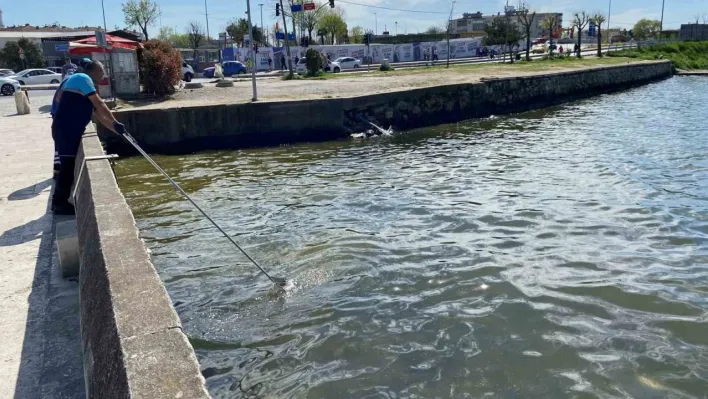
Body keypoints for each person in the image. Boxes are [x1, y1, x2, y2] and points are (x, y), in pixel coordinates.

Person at [51, 59, 125, 215]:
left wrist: (115, 129)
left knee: (68, 165)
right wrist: (116, 121)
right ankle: (59, 203)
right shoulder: (83, 79)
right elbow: (100, 105)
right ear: (93, 71)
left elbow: (99, 116)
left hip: (68, 130)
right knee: (67, 167)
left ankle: (59, 201)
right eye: (101, 71)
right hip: (66, 130)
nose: (103, 75)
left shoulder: (84, 85)